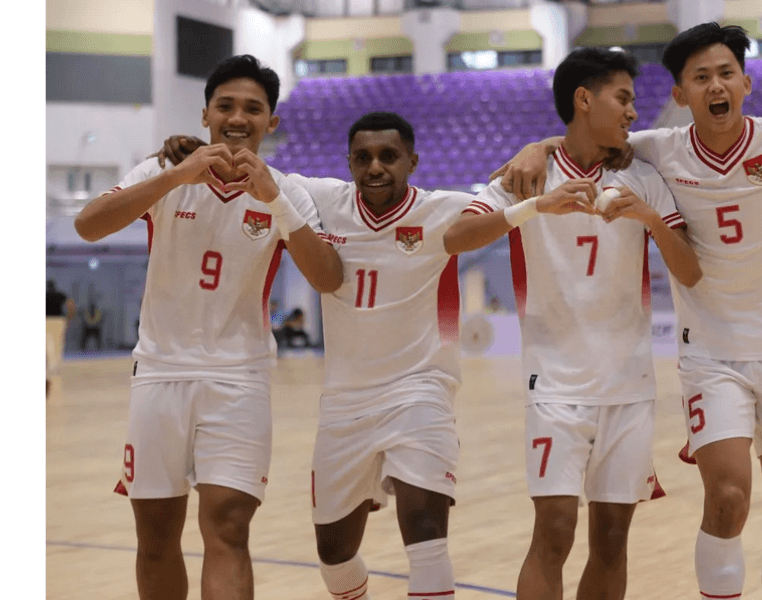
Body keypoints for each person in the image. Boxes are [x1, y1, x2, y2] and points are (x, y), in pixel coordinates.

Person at [491, 22, 762, 600]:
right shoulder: (656, 150)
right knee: (727, 498)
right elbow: (583, 141)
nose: (715, 85)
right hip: (711, 354)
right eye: (700, 78)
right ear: (680, 94)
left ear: (745, 81)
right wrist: (538, 146)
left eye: (725, 73)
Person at [157, 111, 474, 600]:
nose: (375, 167)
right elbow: (259, 173)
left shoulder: (447, 207)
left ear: (412, 161)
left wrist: (542, 145)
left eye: (388, 156)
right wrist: (196, 146)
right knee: (333, 553)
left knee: (427, 532)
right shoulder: (324, 199)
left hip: (421, 389)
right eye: (363, 157)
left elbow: (514, 190)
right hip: (344, 403)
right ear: (348, 162)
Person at [74, 54, 343, 600]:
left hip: (239, 379)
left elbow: (328, 278)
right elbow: (88, 226)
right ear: (205, 115)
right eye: (226, 105)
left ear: (271, 122)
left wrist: (276, 202)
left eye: (253, 108)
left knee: (228, 529)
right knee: (155, 538)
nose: (238, 117)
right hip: (159, 375)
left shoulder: (286, 190)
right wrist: (177, 173)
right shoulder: (162, 171)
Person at [443, 47, 701, 600]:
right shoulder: (527, 175)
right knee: (554, 531)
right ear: (585, 99)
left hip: (629, 388)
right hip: (554, 387)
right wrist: (533, 208)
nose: (634, 111)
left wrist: (649, 218)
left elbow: (692, 272)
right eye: (624, 98)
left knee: (612, 538)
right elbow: (453, 239)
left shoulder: (644, 179)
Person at [46, 279, 76, 395]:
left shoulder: (44, 295)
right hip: (59, 319)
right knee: (58, 342)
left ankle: (51, 365)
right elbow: (70, 305)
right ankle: (56, 366)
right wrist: (69, 316)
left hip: (46, 319)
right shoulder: (60, 295)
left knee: (48, 343)